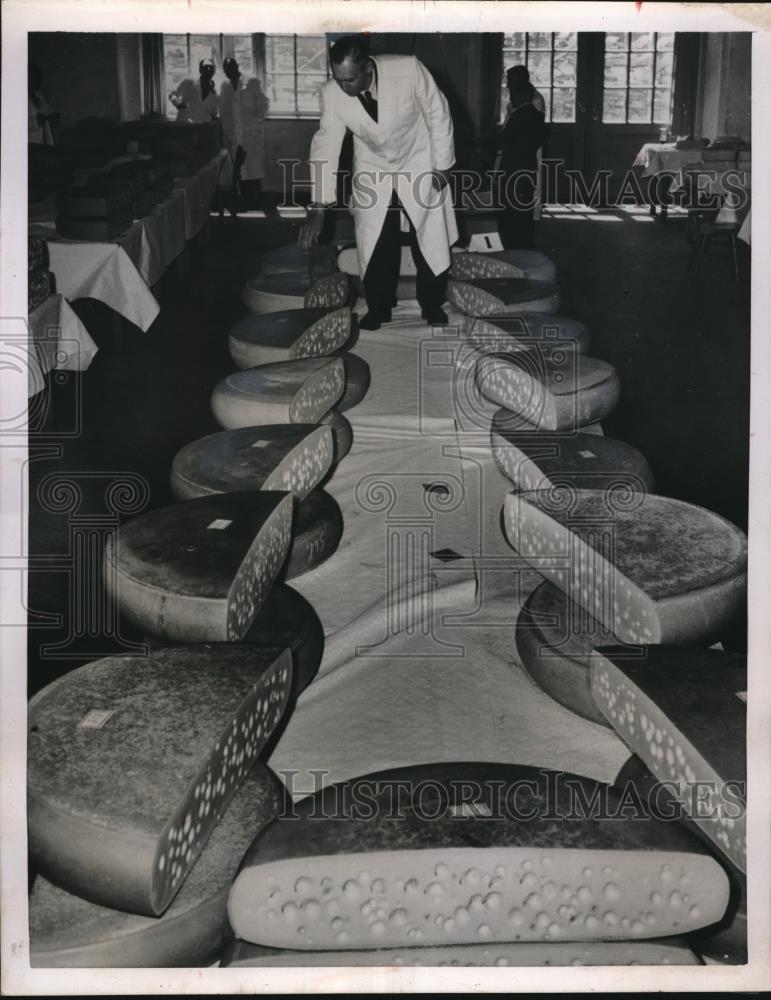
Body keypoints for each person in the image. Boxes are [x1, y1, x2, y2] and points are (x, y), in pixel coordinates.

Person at [298, 35, 458, 329]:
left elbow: (438, 113)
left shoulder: (409, 69)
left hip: (419, 157)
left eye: (349, 79)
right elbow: (326, 144)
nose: (343, 87)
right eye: (338, 79)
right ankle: (379, 307)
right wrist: (319, 207)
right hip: (373, 165)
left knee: (429, 234)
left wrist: (443, 166)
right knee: (374, 238)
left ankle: (432, 304)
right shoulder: (333, 94)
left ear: (367, 69)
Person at [498, 79, 546, 250]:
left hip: (513, 171)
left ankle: (515, 249)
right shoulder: (538, 116)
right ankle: (526, 247)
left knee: (511, 214)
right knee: (524, 213)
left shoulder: (518, 115)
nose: (510, 98)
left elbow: (502, 141)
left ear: (521, 95)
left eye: (512, 94)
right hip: (528, 169)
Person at [219, 56, 269, 209]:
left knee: (254, 168)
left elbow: (264, 102)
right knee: (238, 169)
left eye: (231, 68)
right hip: (234, 135)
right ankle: (243, 201)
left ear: (237, 67)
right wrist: (226, 131)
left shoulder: (251, 82)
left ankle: (256, 201)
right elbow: (224, 111)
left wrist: (257, 120)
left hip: (250, 134)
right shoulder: (225, 87)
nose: (229, 72)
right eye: (226, 70)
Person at [168, 57, 220, 123]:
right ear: (200, 70)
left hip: (200, 128)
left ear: (214, 71)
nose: (208, 70)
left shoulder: (215, 94)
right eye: (205, 68)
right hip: (183, 125)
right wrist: (178, 103)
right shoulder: (187, 82)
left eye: (211, 68)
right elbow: (172, 94)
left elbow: (214, 114)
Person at [28, 64, 60, 145]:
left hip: (44, 143)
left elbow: (50, 113)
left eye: (39, 77)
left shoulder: (39, 95)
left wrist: (54, 117)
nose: (38, 80)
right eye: (34, 77)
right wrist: (36, 121)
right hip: (29, 145)